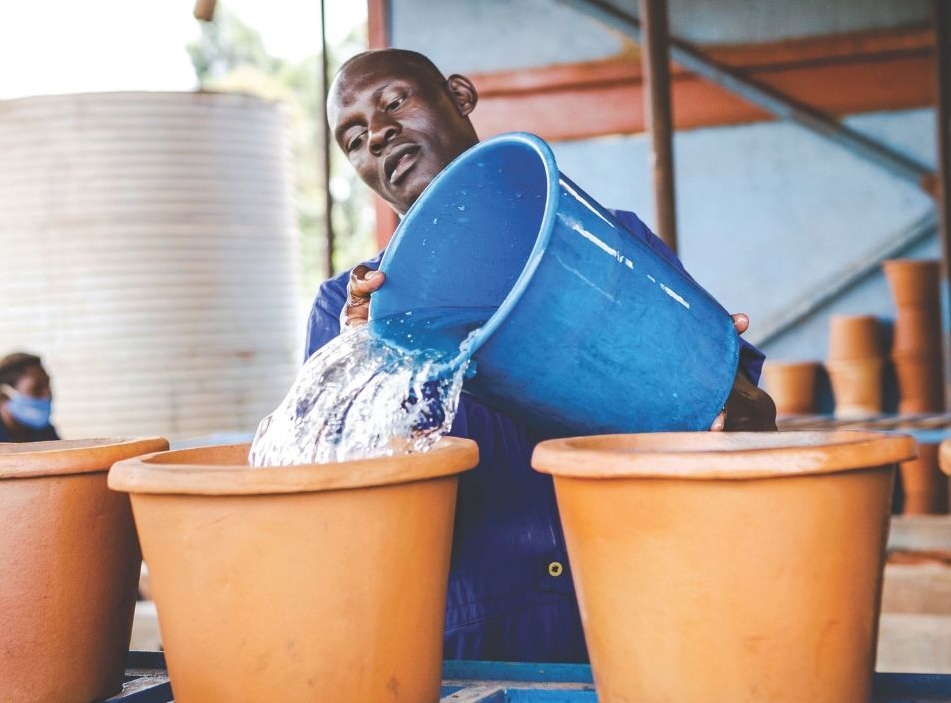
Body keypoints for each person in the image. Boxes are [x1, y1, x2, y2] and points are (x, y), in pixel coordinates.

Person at [310, 48, 775, 662]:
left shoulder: (616, 243)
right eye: (353, 137)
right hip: (466, 646)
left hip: (631, 616)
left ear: (459, 95)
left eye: (394, 102)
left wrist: (726, 402)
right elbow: (334, 501)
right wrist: (370, 357)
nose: (378, 133)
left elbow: (747, 415)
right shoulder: (346, 313)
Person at [0, 352, 60, 444]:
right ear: (4, 396)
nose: (48, 394)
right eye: (36, 389)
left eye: (48, 385)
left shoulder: (45, 433)